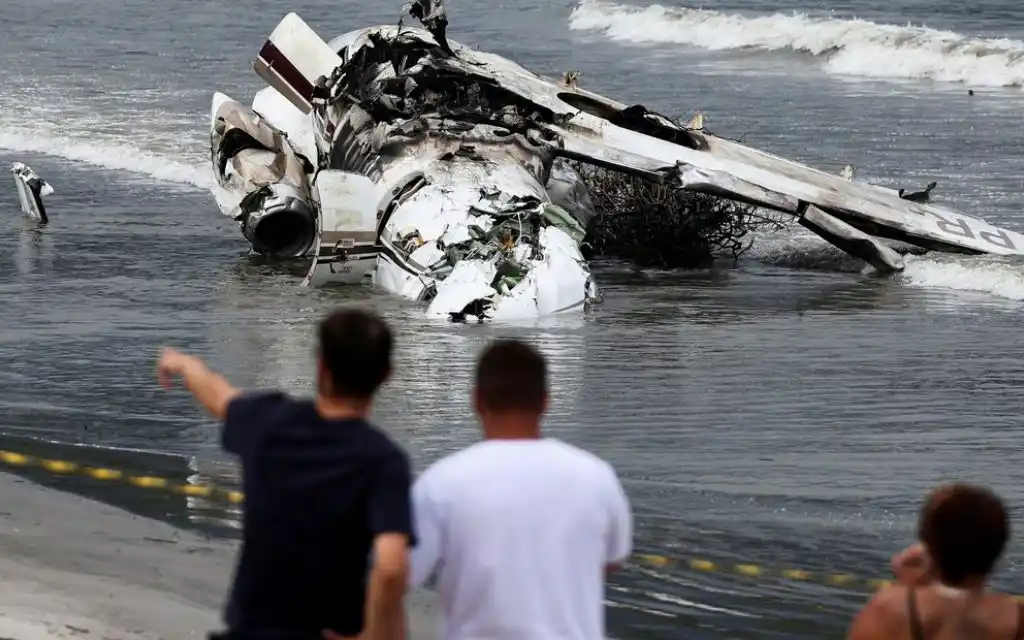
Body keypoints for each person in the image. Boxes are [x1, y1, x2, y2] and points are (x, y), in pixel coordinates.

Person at [156, 307, 415, 640]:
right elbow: (391, 566)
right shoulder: (383, 460)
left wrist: (183, 364)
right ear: (387, 375)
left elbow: (219, 396)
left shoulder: (269, 423)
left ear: (321, 365)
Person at [408, 338, 633, 640]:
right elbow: (612, 559)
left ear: (476, 400)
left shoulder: (440, 484)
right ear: (545, 401)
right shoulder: (596, 477)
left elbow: (402, 572)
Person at [848, 483, 1022, 640]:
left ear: (928, 542)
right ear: (1000, 544)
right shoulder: (1016, 618)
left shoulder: (891, 609)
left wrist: (909, 587)